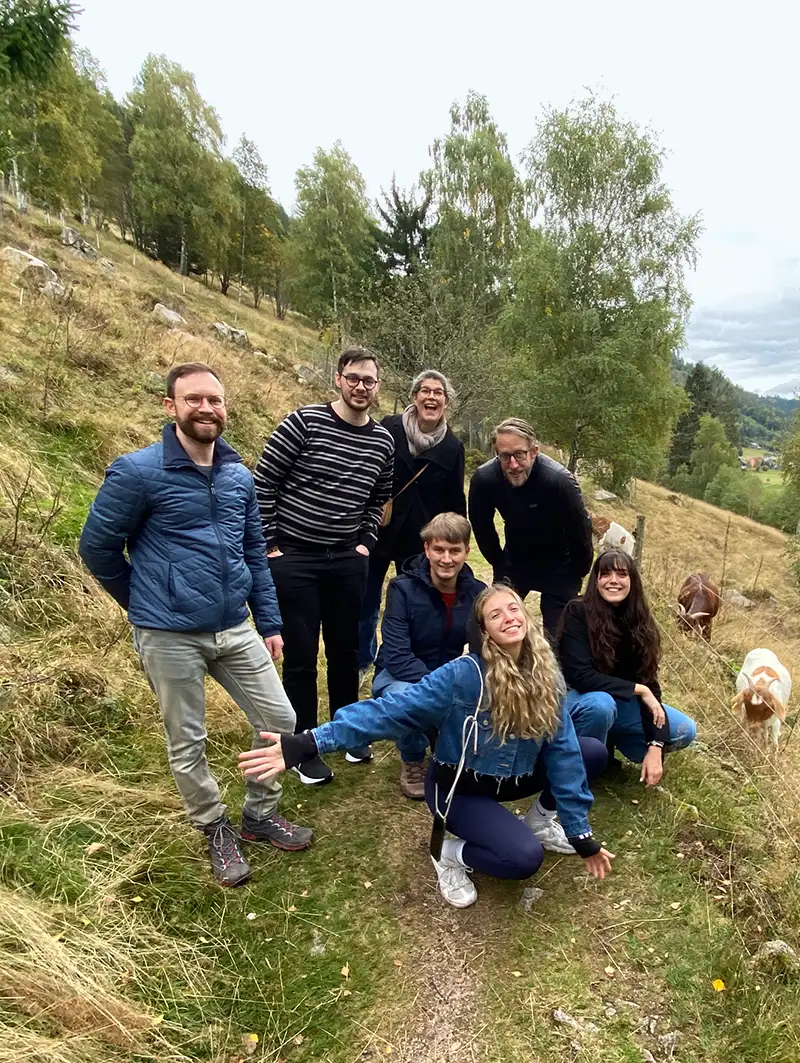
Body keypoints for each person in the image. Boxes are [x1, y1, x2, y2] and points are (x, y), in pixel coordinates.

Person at [79, 362, 312, 888]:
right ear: (171, 407)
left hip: (234, 626)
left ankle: (259, 814)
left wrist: (269, 622)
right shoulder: (136, 472)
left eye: (215, 400)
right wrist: (145, 602)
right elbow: (97, 547)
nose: (206, 408)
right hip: (168, 635)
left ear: (225, 408)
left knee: (280, 717)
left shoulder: (238, 476)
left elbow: (254, 551)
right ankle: (215, 828)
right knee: (188, 740)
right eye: (194, 399)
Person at [239, 585, 614, 909]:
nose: (509, 618)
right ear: (484, 631)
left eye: (514, 608)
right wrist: (307, 743)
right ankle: (448, 854)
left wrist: (580, 832)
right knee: (522, 859)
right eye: (495, 614)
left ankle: (539, 822)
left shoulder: (547, 673)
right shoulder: (463, 675)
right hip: (461, 787)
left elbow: (563, 751)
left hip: (515, 775)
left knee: (590, 752)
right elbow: (391, 711)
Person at [253, 346, 394, 785]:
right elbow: (263, 482)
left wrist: (366, 542)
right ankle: (302, 745)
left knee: (345, 650)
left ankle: (348, 732)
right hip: (295, 558)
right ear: (338, 378)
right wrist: (272, 544)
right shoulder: (304, 422)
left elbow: (379, 498)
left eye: (368, 380)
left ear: (377, 386)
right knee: (300, 654)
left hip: (347, 560)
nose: (360, 387)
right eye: (353, 377)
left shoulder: (382, 441)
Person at [557, 549, 698, 786]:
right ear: (596, 580)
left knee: (686, 730)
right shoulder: (578, 612)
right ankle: (579, 769)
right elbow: (580, 676)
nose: (613, 580)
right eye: (606, 574)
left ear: (632, 580)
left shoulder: (640, 622)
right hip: (577, 701)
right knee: (601, 705)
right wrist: (640, 690)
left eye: (622, 574)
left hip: (619, 703)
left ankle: (613, 745)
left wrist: (656, 744)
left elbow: (649, 681)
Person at [358, 370, 466, 675]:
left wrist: (456, 535)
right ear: (414, 396)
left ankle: (401, 658)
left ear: (446, 402)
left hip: (420, 541)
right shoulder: (389, 428)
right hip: (379, 531)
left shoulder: (452, 447)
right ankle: (363, 659)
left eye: (438, 393)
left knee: (415, 604)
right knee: (365, 601)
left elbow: (455, 497)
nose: (431, 397)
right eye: (425, 391)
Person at [371, 512, 485, 800]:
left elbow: (482, 650)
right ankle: (413, 759)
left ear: (466, 552)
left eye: (454, 551)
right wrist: (442, 687)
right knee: (407, 698)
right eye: (439, 550)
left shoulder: (478, 594)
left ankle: (455, 746)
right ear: (427, 549)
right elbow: (396, 656)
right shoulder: (402, 589)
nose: (446, 559)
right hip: (399, 675)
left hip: (450, 671)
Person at [468, 418, 592, 642]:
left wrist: (578, 570)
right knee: (491, 630)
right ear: (496, 453)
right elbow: (481, 526)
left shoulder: (559, 481)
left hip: (560, 563)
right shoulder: (485, 479)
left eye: (519, 455)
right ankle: (495, 674)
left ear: (534, 451)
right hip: (516, 559)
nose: (513, 465)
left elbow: (580, 531)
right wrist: (498, 561)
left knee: (560, 638)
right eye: (505, 456)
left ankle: (554, 676)